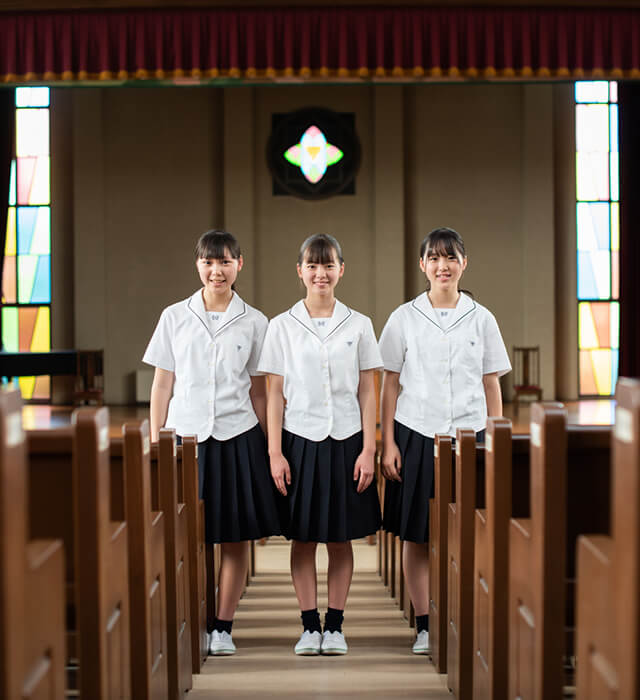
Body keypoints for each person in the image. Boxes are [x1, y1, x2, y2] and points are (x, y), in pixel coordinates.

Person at [142, 229, 280, 656]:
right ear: (198, 265)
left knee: (235, 538)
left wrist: (273, 446)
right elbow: (162, 385)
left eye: (224, 262)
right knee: (188, 536)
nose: (216, 270)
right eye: (208, 261)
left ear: (239, 264)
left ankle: (222, 625)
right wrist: (155, 440)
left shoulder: (257, 322)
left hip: (238, 437)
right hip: (187, 439)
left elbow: (260, 392)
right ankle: (187, 619)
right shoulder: (174, 316)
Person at [378, 226, 511, 655]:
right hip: (416, 433)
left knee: (469, 533)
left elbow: (492, 383)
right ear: (422, 266)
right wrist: (389, 443)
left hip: (471, 436)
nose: (443, 266)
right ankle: (425, 625)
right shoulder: (403, 318)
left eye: (450, 258)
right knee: (417, 535)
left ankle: (466, 616)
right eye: (434, 258)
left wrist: (497, 435)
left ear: (463, 263)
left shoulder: (483, 317)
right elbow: (389, 385)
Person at [258, 234, 382, 656]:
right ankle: (309, 626)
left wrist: (370, 448)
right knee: (304, 538)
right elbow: (274, 393)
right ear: (300, 271)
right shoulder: (281, 326)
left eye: (328, 265)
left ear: (341, 270)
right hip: (300, 441)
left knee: (341, 539)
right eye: (312, 265)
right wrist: (275, 452)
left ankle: (336, 625)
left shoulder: (360, 324)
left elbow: (369, 389)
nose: (320, 273)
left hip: (348, 440)